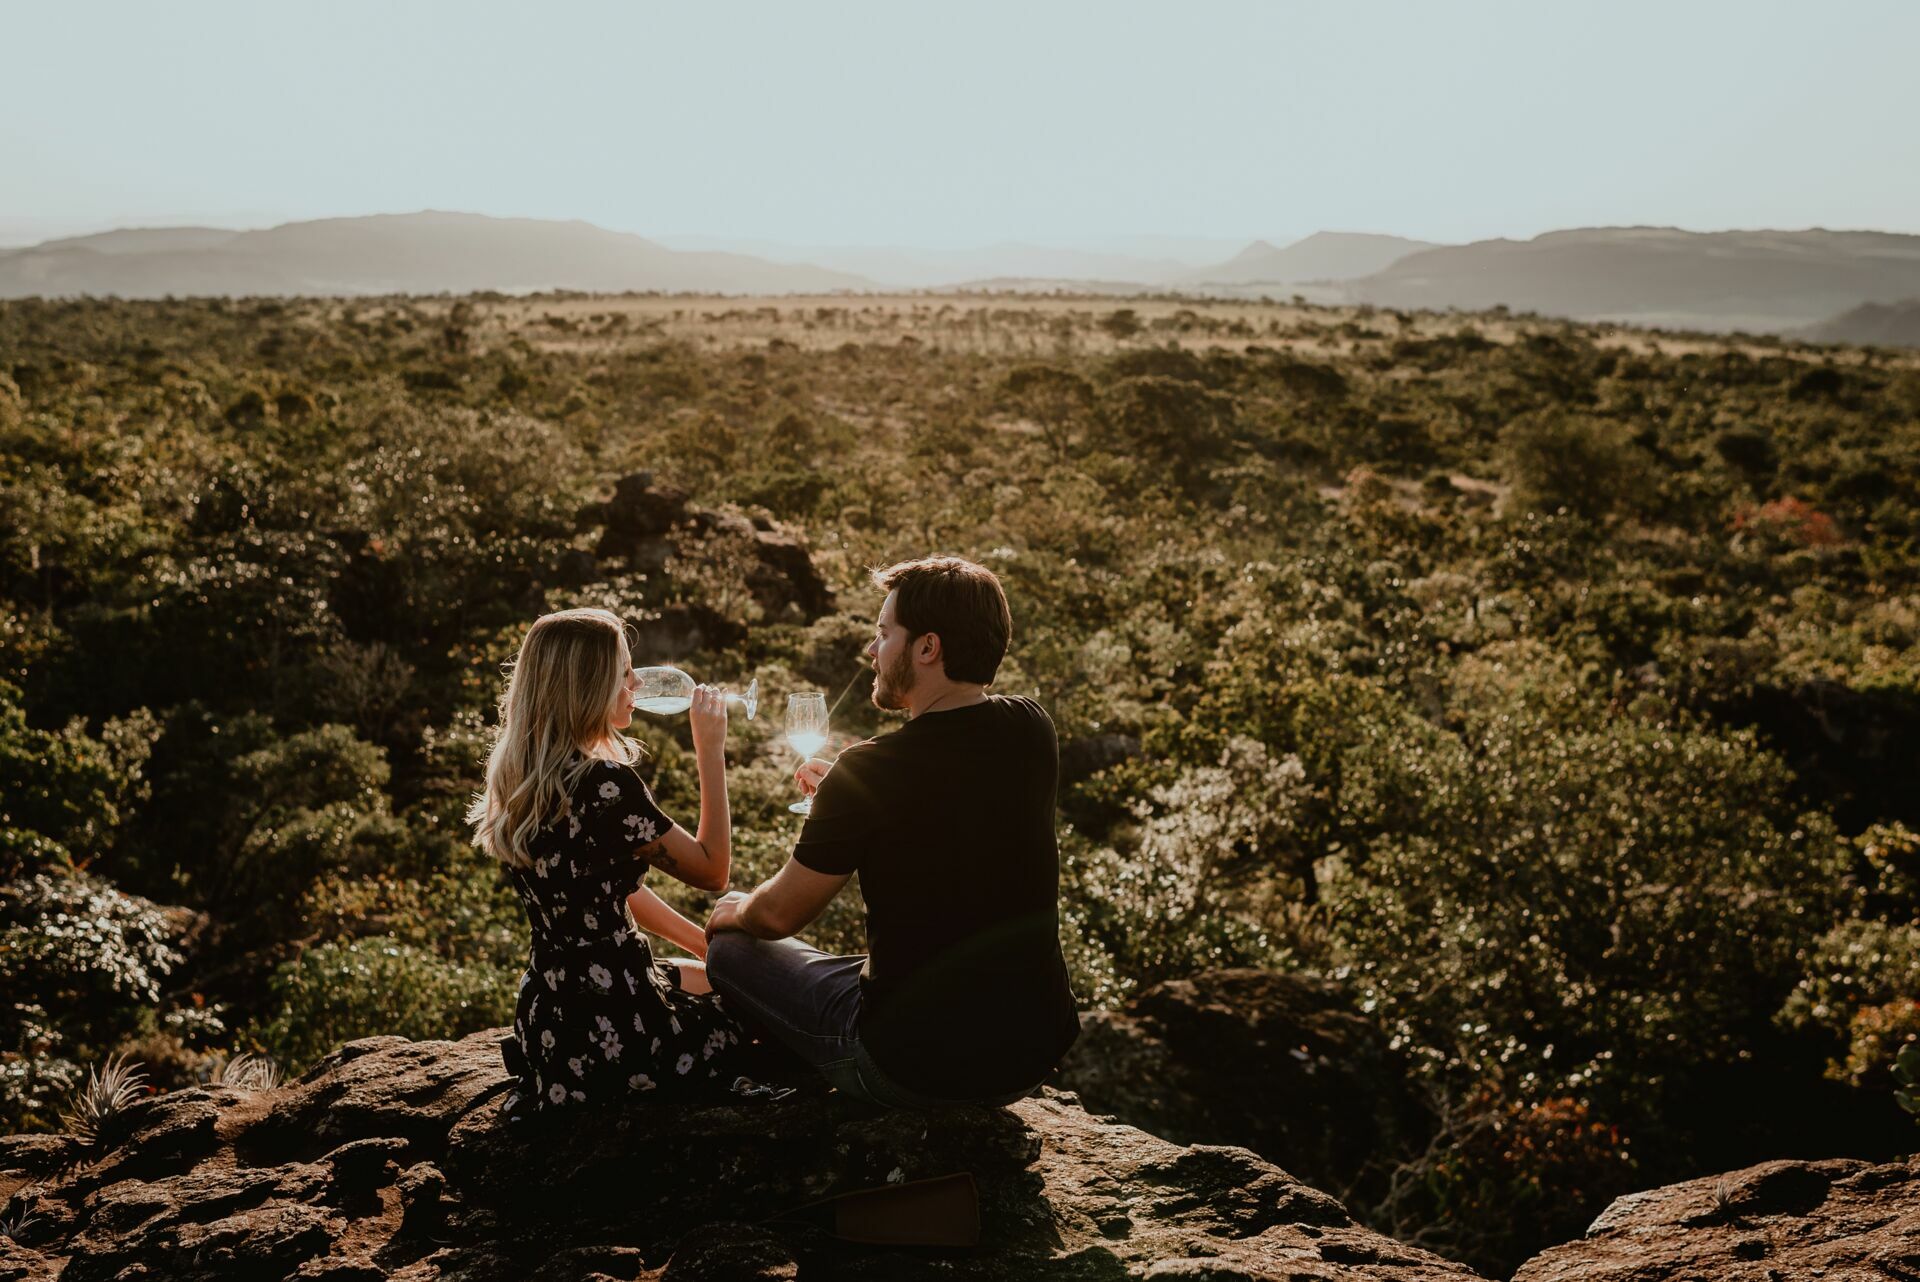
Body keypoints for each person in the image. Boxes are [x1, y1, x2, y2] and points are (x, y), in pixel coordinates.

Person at [703, 556, 1081, 1108]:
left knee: (731, 951)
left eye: (883, 634)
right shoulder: (1031, 725)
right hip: (1030, 1055)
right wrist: (848, 792)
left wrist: (734, 909)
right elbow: (955, 804)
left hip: (910, 1066)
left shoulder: (874, 768)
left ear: (927, 648)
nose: (871, 652)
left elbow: (777, 915)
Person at [466, 607, 758, 1114]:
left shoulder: (522, 774)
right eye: (624, 672)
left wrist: (704, 945)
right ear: (590, 683)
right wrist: (711, 752)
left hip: (551, 1016)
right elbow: (713, 871)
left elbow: (611, 889)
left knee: (722, 976)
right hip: (621, 1018)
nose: (635, 686)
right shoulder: (606, 783)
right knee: (759, 1014)